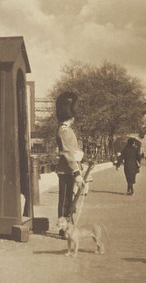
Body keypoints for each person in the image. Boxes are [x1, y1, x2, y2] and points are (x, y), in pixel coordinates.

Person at [55, 91, 84, 237]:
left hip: (69, 169)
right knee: (66, 201)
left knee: (69, 200)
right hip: (66, 170)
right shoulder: (64, 130)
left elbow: (72, 151)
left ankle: (67, 226)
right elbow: (67, 154)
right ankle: (62, 229)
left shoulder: (66, 129)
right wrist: (77, 173)